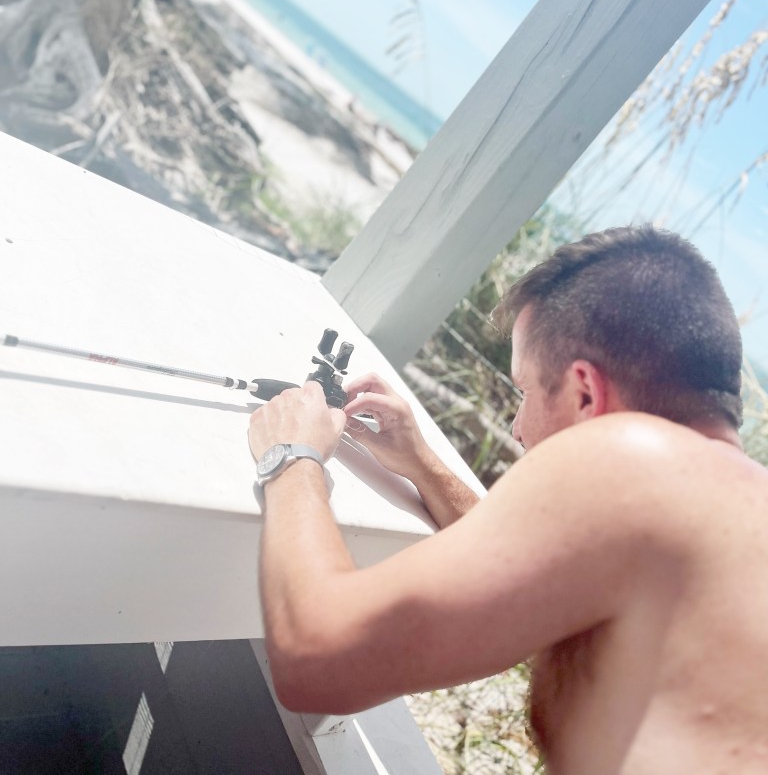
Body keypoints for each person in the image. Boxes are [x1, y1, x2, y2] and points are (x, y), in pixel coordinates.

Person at [248, 225, 768, 775]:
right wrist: (421, 462)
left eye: (524, 390)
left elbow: (316, 663)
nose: (517, 430)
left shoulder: (635, 459)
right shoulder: (724, 507)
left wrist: (292, 454)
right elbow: (520, 578)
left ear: (585, 393)